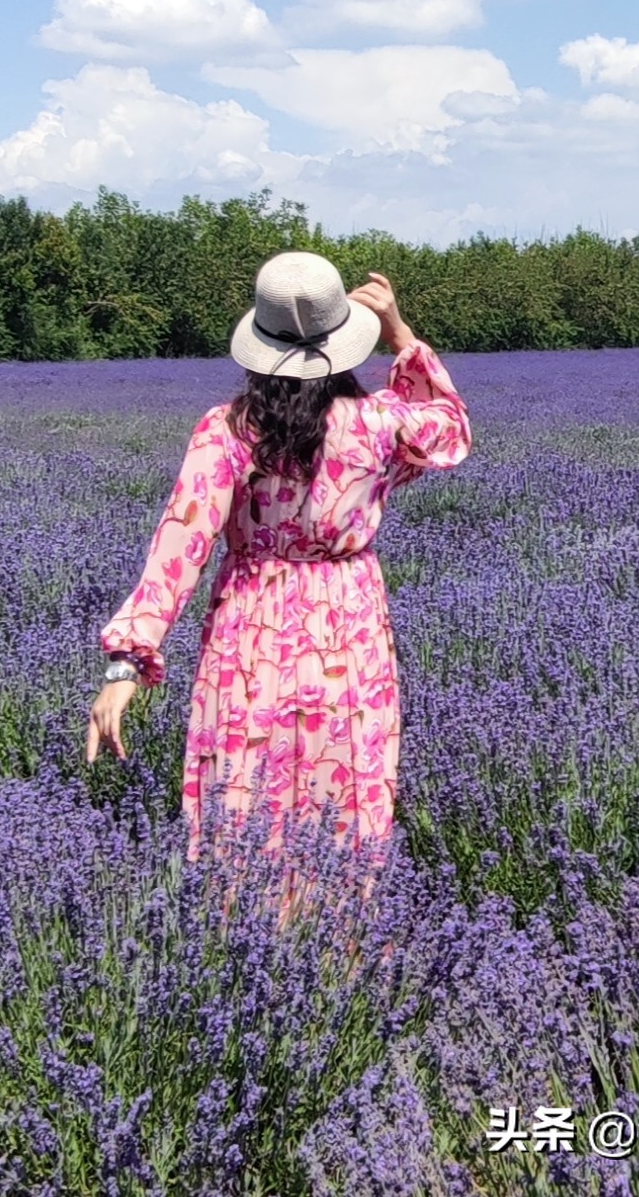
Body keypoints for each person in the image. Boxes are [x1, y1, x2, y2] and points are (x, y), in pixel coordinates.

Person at [85, 252, 471, 856]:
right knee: (344, 795)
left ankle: (242, 939)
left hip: (250, 631)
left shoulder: (228, 429)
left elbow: (179, 544)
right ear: (343, 337)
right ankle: (343, 939)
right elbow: (451, 428)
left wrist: (125, 665)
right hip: (349, 628)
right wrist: (401, 335)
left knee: (243, 798)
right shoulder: (381, 424)